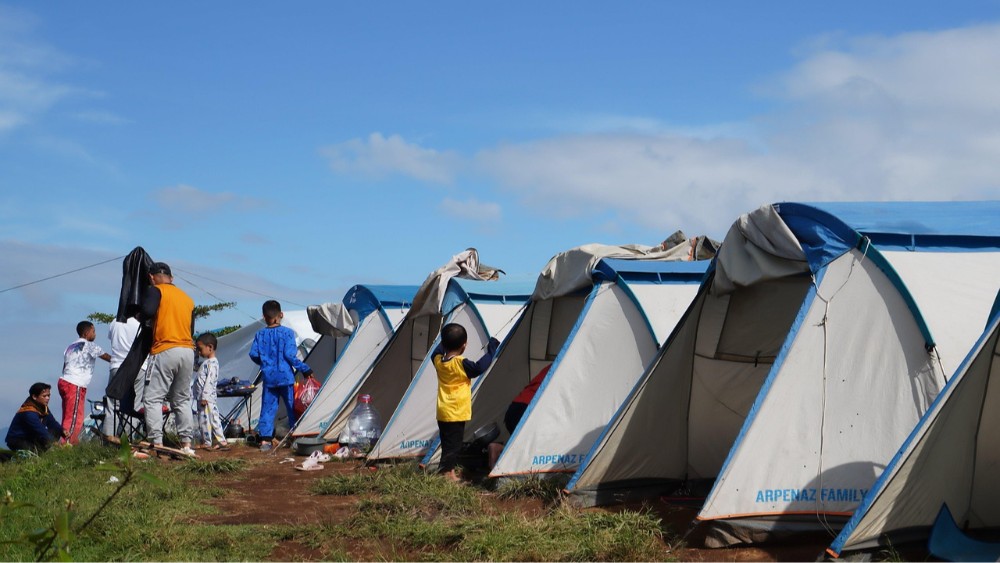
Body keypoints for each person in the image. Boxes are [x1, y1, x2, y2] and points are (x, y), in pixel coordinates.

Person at [139, 261, 197, 455]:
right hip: (188, 350)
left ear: (152, 277)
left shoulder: (156, 291)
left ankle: (156, 442)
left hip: (165, 349)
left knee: (153, 399)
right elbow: (192, 328)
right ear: (172, 278)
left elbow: (147, 311)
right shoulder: (187, 299)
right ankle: (187, 444)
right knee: (181, 399)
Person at [431, 323, 499, 481]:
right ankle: (447, 474)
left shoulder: (439, 362)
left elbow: (436, 352)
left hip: (443, 411)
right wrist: (492, 348)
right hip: (456, 412)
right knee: (454, 445)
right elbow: (479, 367)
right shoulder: (461, 363)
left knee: (448, 443)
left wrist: (444, 342)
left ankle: (447, 471)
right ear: (464, 346)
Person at [249, 300, 314, 452]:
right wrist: (305, 369)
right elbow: (290, 355)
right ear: (281, 315)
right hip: (285, 376)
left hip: (269, 378)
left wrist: (264, 363)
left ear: (264, 317)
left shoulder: (260, 334)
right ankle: (296, 437)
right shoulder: (287, 333)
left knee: (268, 408)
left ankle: (265, 441)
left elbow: (253, 354)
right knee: (292, 406)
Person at [59, 320, 111, 444]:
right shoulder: (90, 345)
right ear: (88, 331)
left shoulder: (70, 347)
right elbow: (107, 357)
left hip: (64, 381)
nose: (95, 334)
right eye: (94, 331)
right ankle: (67, 444)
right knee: (74, 417)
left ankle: (69, 441)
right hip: (75, 384)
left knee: (68, 415)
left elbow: (64, 366)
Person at [104, 311, 147, 438]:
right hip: (138, 367)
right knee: (133, 406)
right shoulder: (140, 324)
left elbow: (112, 340)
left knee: (112, 404)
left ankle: (108, 438)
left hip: (117, 365)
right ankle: (127, 439)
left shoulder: (114, 321)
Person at [192, 332, 230, 451]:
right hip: (201, 397)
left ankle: (219, 441)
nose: (199, 352)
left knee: (211, 419)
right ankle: (207, 441)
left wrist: (205, 396)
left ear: (210, 347)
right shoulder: (206, 363)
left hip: (206, 398)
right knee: (204, 420)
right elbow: (195, 368)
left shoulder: (213, 363)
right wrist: (195, 355)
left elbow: (210, 381)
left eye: (200, 349)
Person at [5, 382, 67, 453]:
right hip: (18, 439)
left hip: (32, 437)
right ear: (34, 397)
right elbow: (40, 430)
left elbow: (52, 423)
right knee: (33, 454)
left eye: (48, 395)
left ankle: (46, 450)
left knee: (57, 430)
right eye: (44, 396)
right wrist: (53, 442)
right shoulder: (28, 412)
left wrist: (62, 431)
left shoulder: (43, 408)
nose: (47, 398)